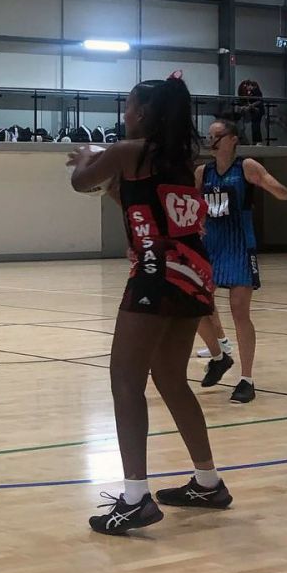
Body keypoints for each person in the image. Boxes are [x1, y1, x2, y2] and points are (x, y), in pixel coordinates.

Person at [67, 75, 231, 536]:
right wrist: (112, 182)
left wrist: (85, 158)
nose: (125, 112)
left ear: (142, 114)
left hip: (157, 272)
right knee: (171, 379)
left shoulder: (127, 150)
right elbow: (130, 198)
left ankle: (136, 497)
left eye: (129, 106)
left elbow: (82, 182)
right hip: (194, 273)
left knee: (125, 382)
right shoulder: (180, 160)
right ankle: (207, 482)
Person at [195, 118, 287, 404]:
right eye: (208, 135)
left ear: (232, 139)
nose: (210, 140)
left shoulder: (247, 167)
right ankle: (219, 355)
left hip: (238, 246)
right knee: (196, 306)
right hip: (210, 246)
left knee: (239, 312)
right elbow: (194, 206)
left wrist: (268, 184)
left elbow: (284, 193)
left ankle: (247, 379)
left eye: (216, 135)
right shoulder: (203, 172)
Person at [236, 78, 264, 145]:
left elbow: (259, 101)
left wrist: (250, 106)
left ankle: (257, 141)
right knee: (252, 126)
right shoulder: (249, 93)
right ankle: (252, 141)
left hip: (257, 111)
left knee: (255, 126)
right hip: (252, 111)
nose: (247, 89)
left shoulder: (256, 91)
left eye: (247, 87)